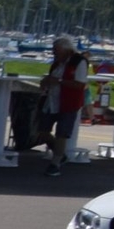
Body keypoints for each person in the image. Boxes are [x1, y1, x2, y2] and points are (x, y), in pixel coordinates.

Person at [42, 35, 88, 176]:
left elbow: (80, 84)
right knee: (42, 130)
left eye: (56, 50)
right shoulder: (57, 63)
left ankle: (55, 163)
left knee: (62, 133)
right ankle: (60, 153)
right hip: (52, 100)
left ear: (66, 50)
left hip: (68, 102)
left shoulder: (78, 62)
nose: (54, 53)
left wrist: (59, 81)